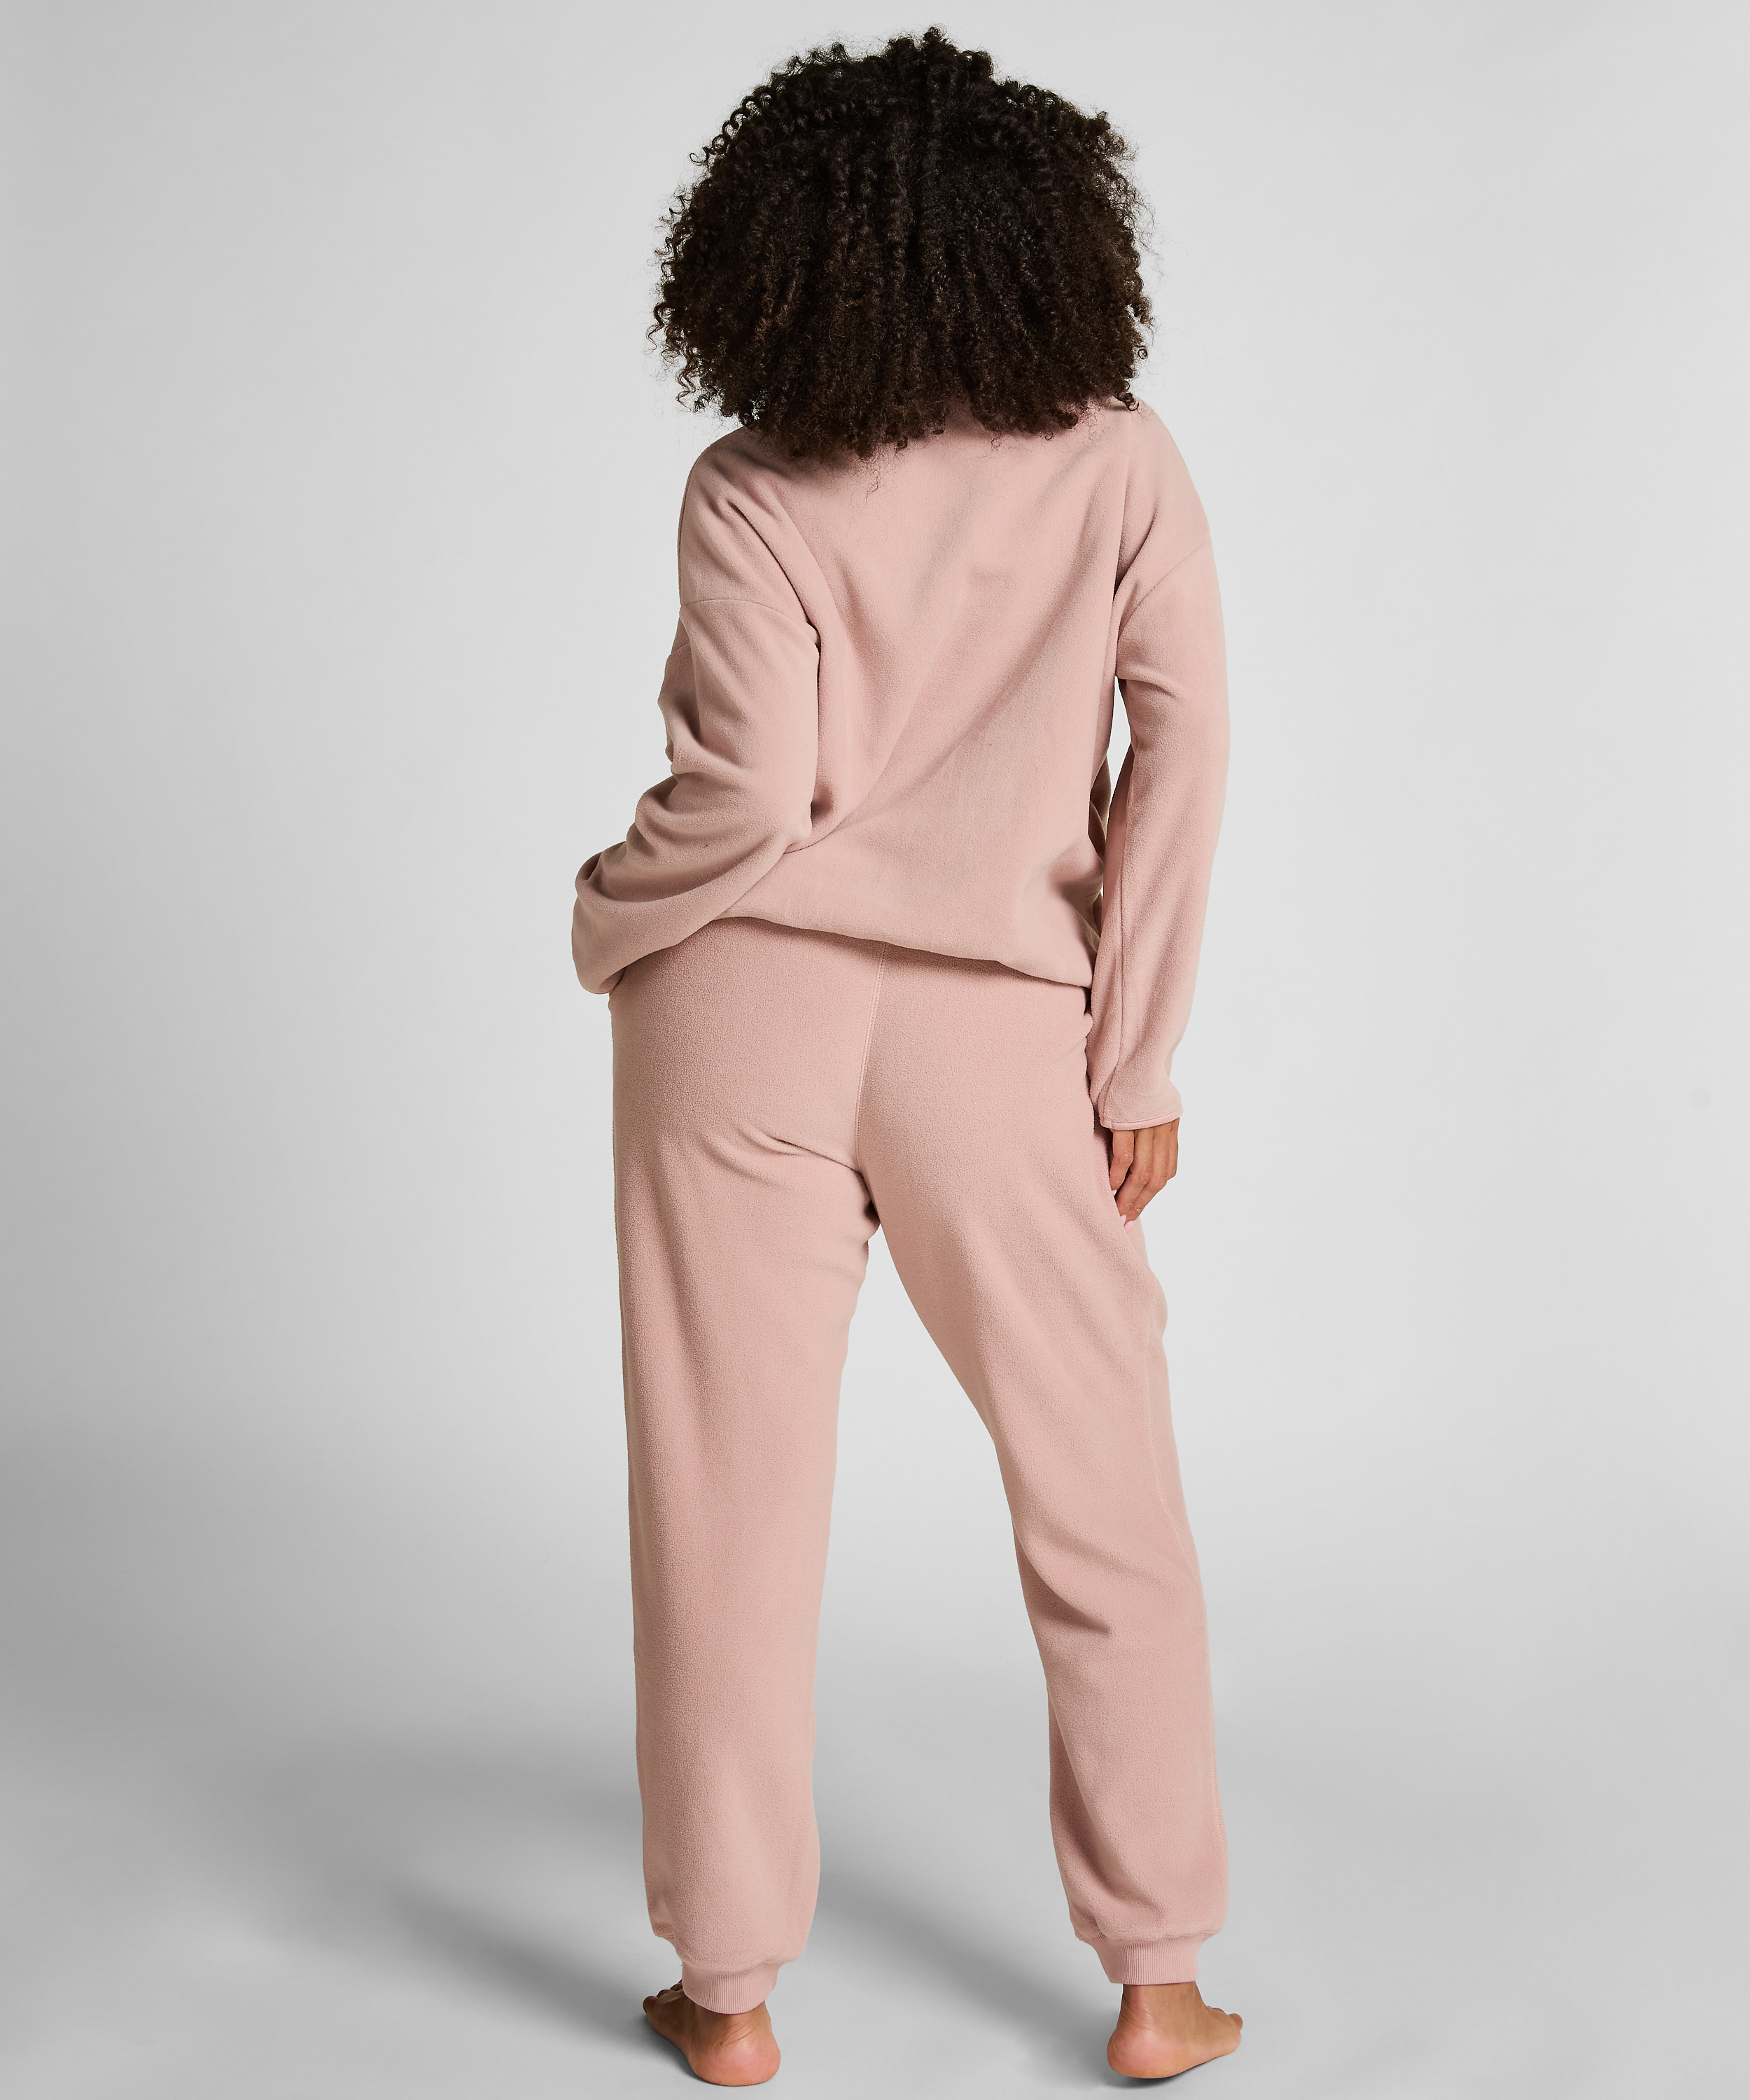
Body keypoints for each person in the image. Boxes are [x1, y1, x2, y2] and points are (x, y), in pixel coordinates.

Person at [572, 28, 1240, 2087]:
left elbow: (740, 795)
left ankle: (730, 1994)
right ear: (1047, 242)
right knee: (1103, 1493)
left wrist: (607, 911)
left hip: (736, 1020)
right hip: (1000, 1036)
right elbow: (1184, 747)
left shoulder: (753, 482)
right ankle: (1154, 1981)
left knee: (725, 1504)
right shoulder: (1117, 461)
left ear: (778, 254)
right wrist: (1133, 1058)